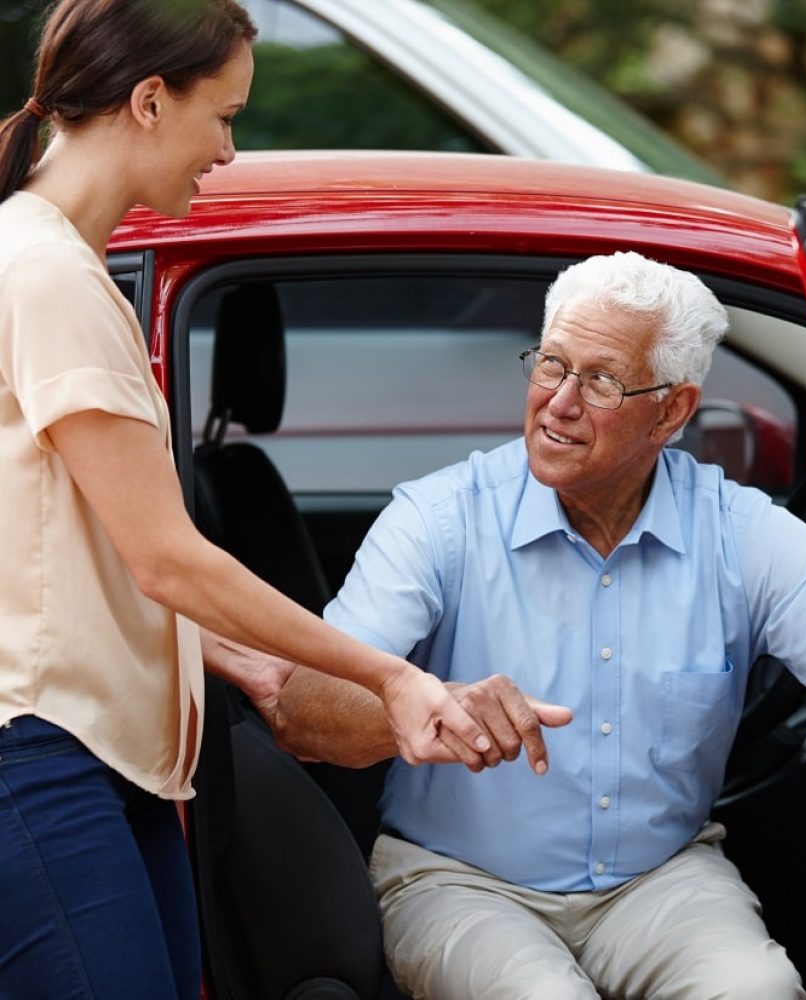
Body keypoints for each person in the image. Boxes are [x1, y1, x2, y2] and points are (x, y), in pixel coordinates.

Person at [0, 3, 491, 997]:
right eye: (223, 117)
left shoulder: (59, 264)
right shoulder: (45, 273)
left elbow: (76, 545)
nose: (227, 151)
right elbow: (164, 558)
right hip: (43, 753)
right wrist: (388, 675)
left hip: (101, 753)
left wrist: (244, 662)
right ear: (149, 101)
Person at [272, 251, 806, 1000]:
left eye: (599, 380)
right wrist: (430, 706)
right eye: (551, 364)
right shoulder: (438, 519)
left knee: (758, 988)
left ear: (673, 411)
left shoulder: (743, 532)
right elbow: (302, 712)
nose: (558, 402)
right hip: (459, 881)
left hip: (660, 879)